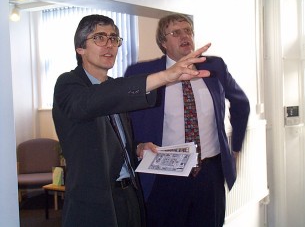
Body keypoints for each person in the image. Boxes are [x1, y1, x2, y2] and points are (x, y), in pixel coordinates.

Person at [52, 14, 211, 227]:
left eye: (114, 38)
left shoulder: (115, 87)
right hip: (93, 203)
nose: (109, 45)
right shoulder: (68, 84)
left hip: (129, 196)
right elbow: (90, 103)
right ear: (80, 48)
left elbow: (112, 136)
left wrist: (137, 147)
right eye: (99, 37)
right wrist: (165, 76)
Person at [124, 14, 250, 227]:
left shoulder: (214, 67)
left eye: (188, 31)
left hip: (209, 175)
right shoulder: (143, 73)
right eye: (176, 32)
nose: (185, 36)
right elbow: (125, 116)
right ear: (163, 43)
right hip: (164, 174)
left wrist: (235, 148)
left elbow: (241, 103)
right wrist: (136, 146)